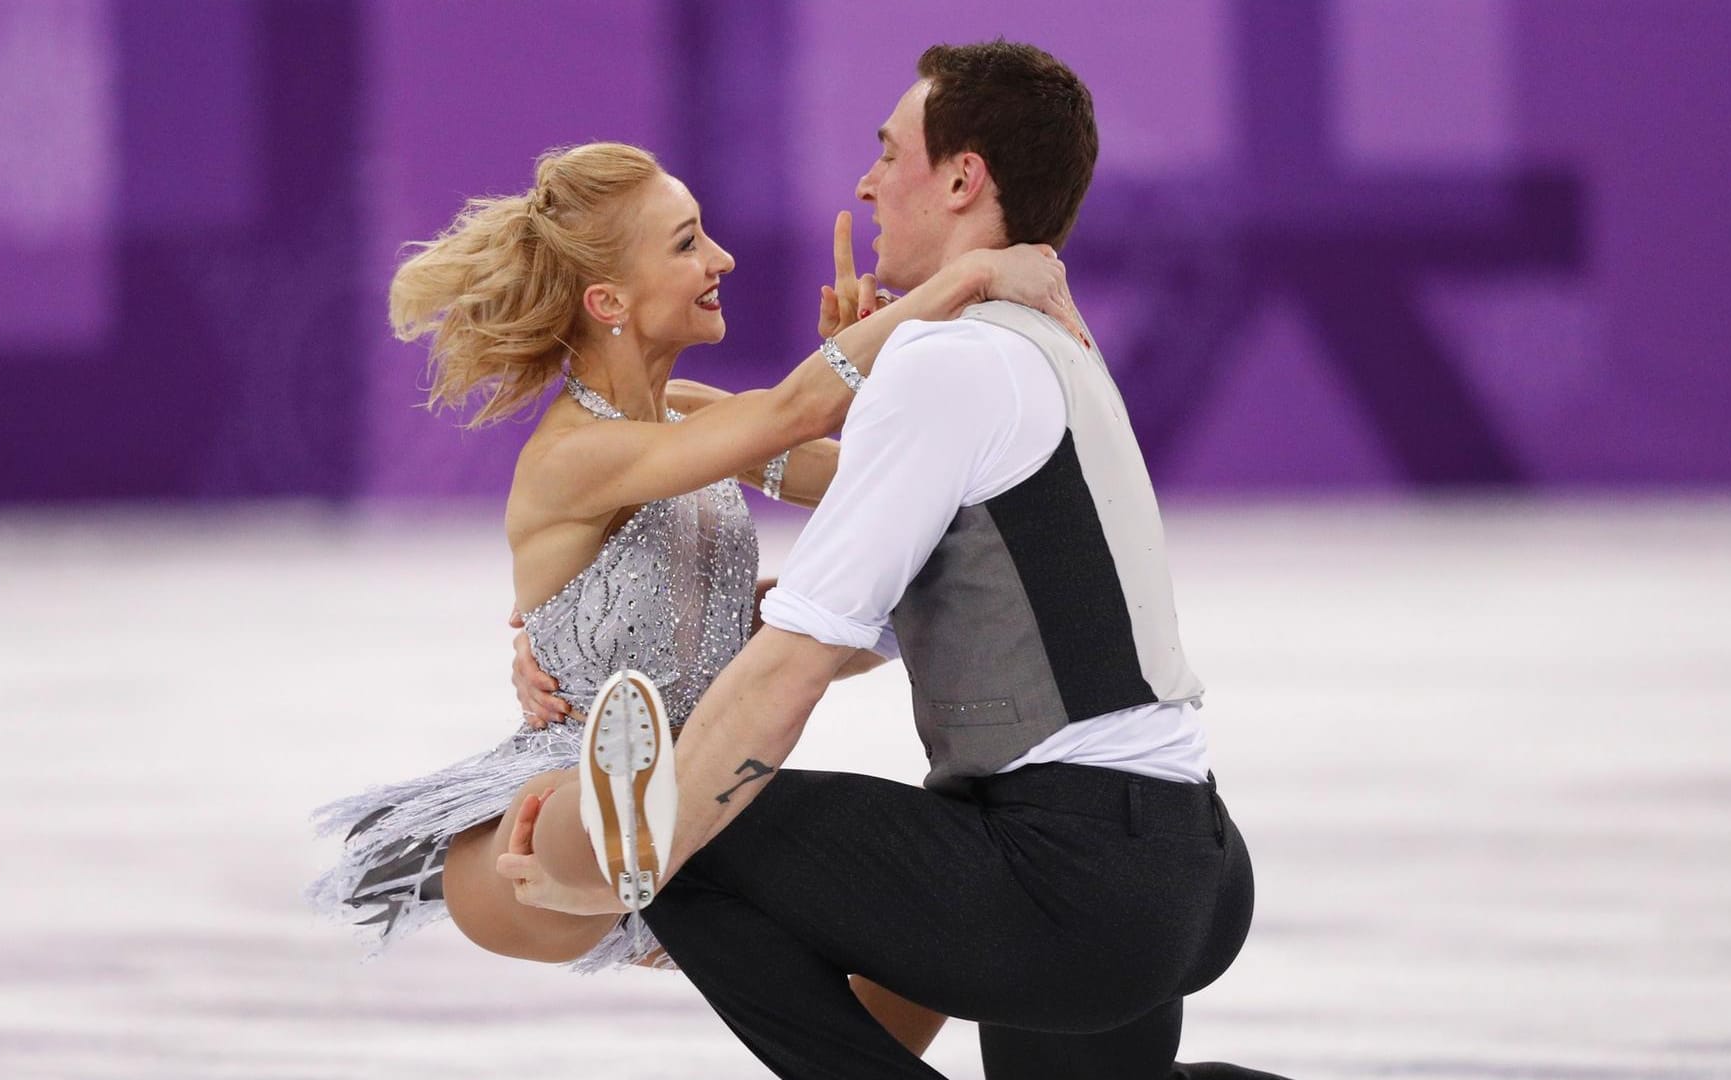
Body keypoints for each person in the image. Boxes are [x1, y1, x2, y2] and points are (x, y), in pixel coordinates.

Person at [506, 44, 1291, 1080]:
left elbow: (791, 672)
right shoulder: (1037, 340)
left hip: (1073, 876)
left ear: (964, 179)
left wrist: (620, 872)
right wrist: (579, 638)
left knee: (682, 834)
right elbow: (889, 615)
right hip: (1184, 867)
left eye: (890, 155)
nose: (869, 183)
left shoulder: (951, 358)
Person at [307, 139, 1075, 1055]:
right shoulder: (574, 456)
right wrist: (958, 284)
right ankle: (620, 819)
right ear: (609, 302)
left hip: (706, 801)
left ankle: (665, 843)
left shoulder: (694, 416)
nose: (721, 259)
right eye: (685, 244)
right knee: (568, 821)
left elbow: (882, 481)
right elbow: (792, 411)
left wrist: (888, 376)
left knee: (935, 953)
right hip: (532, 837)